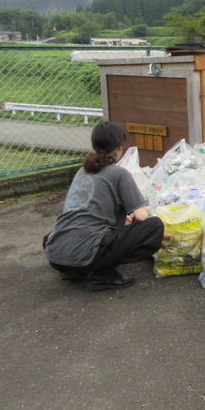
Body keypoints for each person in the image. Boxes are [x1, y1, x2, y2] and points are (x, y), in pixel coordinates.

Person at [43, 121, 163, 291]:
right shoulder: (119, 173)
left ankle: (74, 271)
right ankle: (101, 273)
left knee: (69, 230)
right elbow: (142, 216)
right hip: (87, 255)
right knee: (154, 227)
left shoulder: (82, 170)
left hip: (55, 255)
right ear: (120, 148)